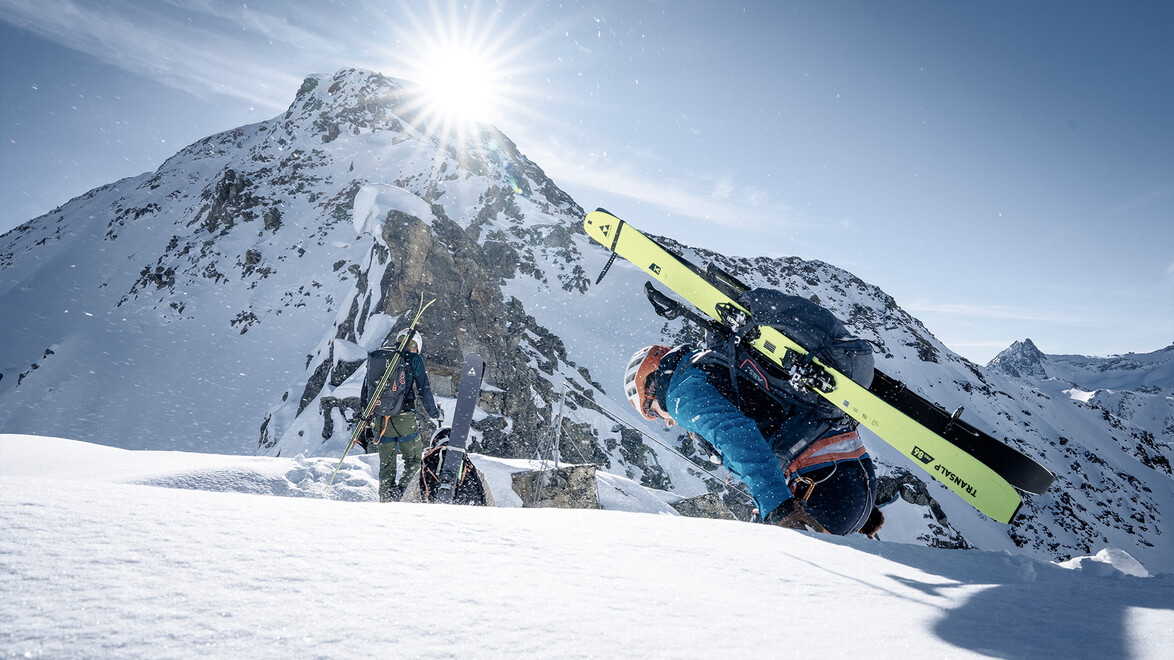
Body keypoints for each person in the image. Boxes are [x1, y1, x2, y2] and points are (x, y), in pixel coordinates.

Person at [624, 339, 884, 537]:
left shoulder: (682, 395)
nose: (666, 420)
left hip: (820, 482)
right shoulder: (711, 364)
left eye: (651, 412)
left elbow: (740, 441)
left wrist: (779, 509)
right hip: (847, 476)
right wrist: (856, 504)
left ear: (651, 387)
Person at [359, 330, 443, 502]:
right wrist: (435, 413)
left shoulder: (381, 357)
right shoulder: (414, 360)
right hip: (404, 418)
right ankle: (400, 493)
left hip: (381, 419)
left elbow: (366, 389)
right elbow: (424, 390)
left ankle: (385, 501)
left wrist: (366, 414)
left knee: (387, 467)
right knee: (413, 461)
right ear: (416, 346)